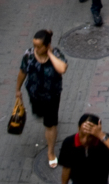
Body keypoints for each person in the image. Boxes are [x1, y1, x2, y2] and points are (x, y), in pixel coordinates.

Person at [16, 30, 69, 166]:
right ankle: (47, 121)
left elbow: (62, 68)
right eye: (34, 45)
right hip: (34, 94)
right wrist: (18, 90)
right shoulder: (28, 55)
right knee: (39, 114)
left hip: (52, 96)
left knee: (50, 124)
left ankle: (50, 151)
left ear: (47, 45)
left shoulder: (56, 55)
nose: (36, 49)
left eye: (39, 46)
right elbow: (22, 71)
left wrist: (50, 53)